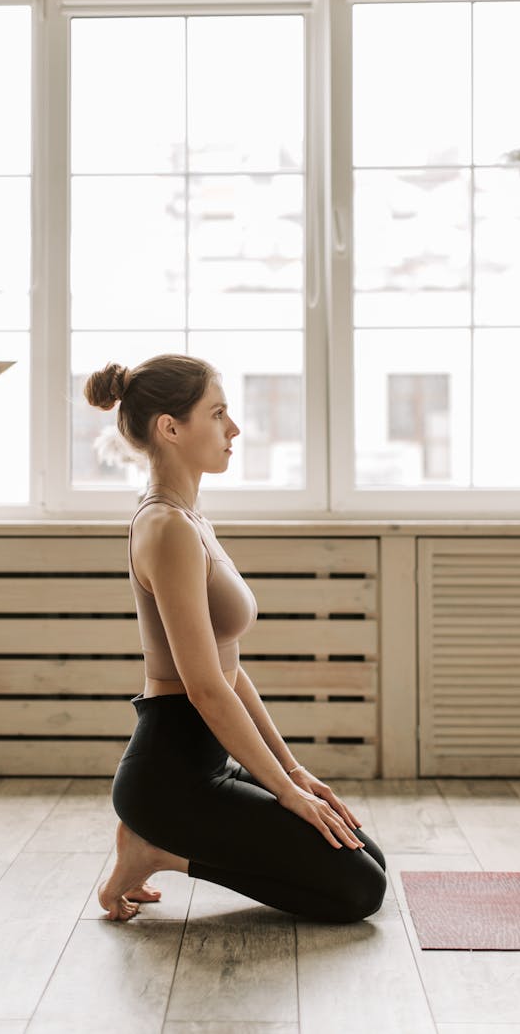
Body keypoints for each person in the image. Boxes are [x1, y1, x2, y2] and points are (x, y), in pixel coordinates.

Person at [84, 353, 387, 923]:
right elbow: (203, 689)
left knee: (366, 856)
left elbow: (230, 670)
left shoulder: (191, 519)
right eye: (218, 413)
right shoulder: (167, 528)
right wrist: (285, 793)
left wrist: (293, 773)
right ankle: (159, 850)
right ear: (170, 428)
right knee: (358, 892)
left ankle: (157, 844)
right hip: (170, 776)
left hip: (209, 761)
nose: (234, 429)